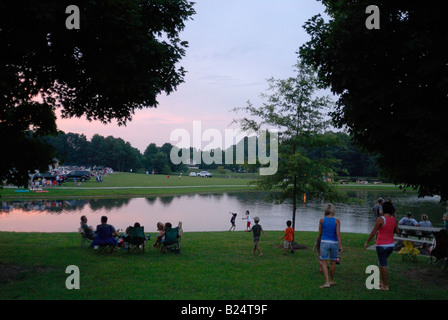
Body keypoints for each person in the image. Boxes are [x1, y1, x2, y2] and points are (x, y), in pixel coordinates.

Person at [364, 201, 399, 291]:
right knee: (381, 262)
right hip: (391, 245)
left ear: (383, 209)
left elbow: (373, 232)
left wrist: (367, 242)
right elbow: (398, 232)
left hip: (381, 245)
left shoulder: (380, 219)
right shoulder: (394, 220)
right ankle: (382, 282)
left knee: (383, 264)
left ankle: (385, 286)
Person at [317, 203, 342, 288]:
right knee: (333, 262)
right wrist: (341, 246)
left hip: (324, 242)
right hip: (334, 243)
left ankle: (327, 282)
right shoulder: (337, 221)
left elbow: (320, 233)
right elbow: (338, 234)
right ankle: (332, 280)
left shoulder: (322, 220)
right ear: (333, 211)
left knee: (324, 261)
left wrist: (318, 242)